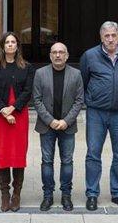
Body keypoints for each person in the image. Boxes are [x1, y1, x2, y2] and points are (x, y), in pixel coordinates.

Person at [79, 21, 118, 211]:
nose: (111, 39)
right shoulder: (90, 56)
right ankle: (92, 194)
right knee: (93, 154)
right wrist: (92, 99)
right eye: (107, 36)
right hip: (96, 112)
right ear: (101, 37)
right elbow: (83, 81)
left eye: (114, 35)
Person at [0, 32, 35, 212]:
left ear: (17, 46)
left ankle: (17, 194)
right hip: (0, 116)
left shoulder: (27, 67)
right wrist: (4, 111)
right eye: (7, 42)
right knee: (3, 153)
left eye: (13, 42)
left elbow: (28, 91)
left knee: (18, 154)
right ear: (2, 45)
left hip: (19, 115)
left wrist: (13, 108)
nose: (10, 45)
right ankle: (5, 194)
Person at [32, 42, 84, 211]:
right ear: (50, 55)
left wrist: (66, 121)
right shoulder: (40, 73)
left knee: (67, 161)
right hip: (47, 126)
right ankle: (47, 196)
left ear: (67, 55)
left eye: (61, 52)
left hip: (67, 127)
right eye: (54, 52)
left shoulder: (76, 74)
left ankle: (66, 195)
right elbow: (37, 100)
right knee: (47, 161)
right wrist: (50, 120)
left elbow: (79, 101)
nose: (58, 55)